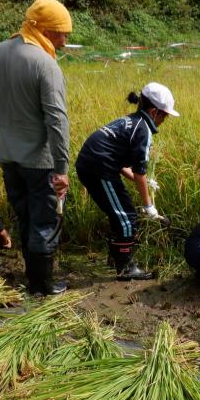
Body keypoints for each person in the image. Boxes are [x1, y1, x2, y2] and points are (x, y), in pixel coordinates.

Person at [0, 0, 72, 296]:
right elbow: (57, 119)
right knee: (44, 222)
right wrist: (61, 168)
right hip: (41, 162)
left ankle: (33, 279)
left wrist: (3, 147)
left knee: (25, 217)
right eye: (61, 33)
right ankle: (42, 286)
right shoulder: (44, 63)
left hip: (9, 158)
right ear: (45, 30)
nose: (64, 41)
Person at [75, 82, 179, 281]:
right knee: (127, 216)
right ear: (154, 112)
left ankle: (115, 258)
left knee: (119, 213)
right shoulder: (143, 130)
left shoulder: (131, 120)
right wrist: (149, 206)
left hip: (95, 165)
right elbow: (138, 172)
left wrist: (146, 182)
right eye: (164, 116)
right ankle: (125, 268)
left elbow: (119, 161)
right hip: (99, 169)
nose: (165, 120)